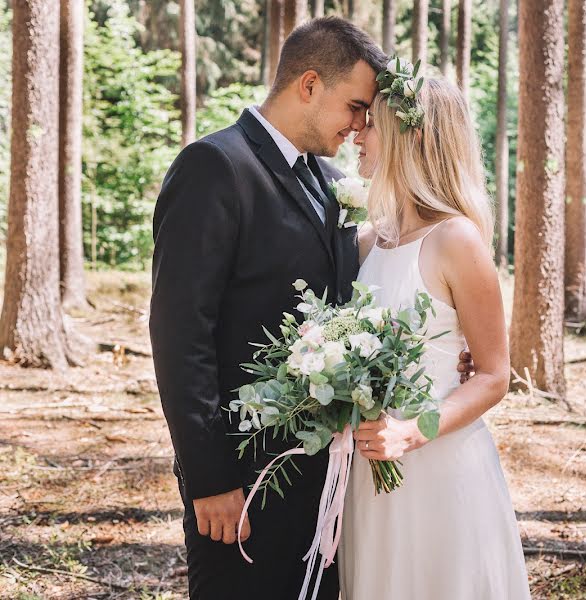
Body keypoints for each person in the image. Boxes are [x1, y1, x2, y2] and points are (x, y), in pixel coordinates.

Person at [150, 17, 473, 599]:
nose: (360, 125)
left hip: (330, 481)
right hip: (245, 480)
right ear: (308, 84)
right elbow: (180, 336)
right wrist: (210, 478)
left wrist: (443, 358)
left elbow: (368, 295)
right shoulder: (215, 168)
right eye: (354, 106)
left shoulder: (327, 179)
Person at [338, 70, 531, 599]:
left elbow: (493, 375)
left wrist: (411, 431)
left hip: (441, 466)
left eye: (371, 124)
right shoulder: (366, 242)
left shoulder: (456, 239)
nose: (356, 133)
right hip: (370, 473)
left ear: (411, 137)